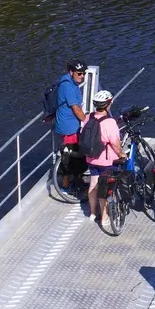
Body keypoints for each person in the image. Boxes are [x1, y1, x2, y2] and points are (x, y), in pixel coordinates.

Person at [81, 89, 121, 228]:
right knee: (105, 189)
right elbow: (115, 143)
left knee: (93, 185)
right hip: (106, 160)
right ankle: (104, 216)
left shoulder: (88, 117)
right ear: (108, 104)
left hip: (91, 158)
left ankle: (92, 213)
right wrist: (121, 154)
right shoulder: (109, 122)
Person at [52, 59, 88, 193]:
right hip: (68, 128)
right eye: (79, 73)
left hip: (72, 125)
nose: (82, 76)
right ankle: (66, 186)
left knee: (75, 154)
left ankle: (74, 180)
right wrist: (87, 122)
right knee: (69, 157)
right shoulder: (67, 86)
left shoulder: (71, 82)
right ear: (71, 72)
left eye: (83, 73)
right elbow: (76, 109)